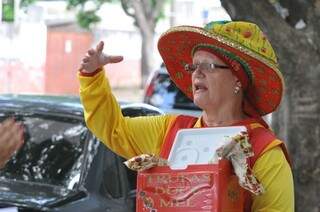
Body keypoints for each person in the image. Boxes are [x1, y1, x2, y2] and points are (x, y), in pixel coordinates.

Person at [78, 20, 294, 211]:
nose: (196, 73)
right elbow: (114, 128)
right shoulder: (169, 130)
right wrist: (92, 76)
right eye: (193, 66)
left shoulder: (264, 151)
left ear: (237, 80)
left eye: (207, 66)